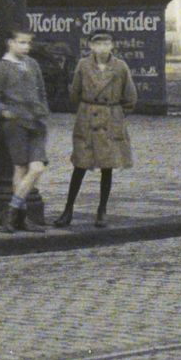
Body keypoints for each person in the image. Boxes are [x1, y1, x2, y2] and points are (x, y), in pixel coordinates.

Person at [53, 28, 138, 229]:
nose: (102, 48)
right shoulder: (83, 65)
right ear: (90, 46)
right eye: (98, 44)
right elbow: (75, 93)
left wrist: (115, 115)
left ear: (112, 46)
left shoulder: (120, 67)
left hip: (110, 120)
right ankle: (68, 209)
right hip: (87, 120)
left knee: (107, 168)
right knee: (79, 166)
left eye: (106, 43)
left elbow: (130, 97)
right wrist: (86, 110)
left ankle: (102, 210)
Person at [0, 25, 51, 232]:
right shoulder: (1, 68)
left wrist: (43, 112)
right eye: (21, 42)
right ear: (10, 43)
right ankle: (20, 217)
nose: (26, 47)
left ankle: (10, 211)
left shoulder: (33, 64)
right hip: (16, 125)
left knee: (37, 168)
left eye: (28, 43)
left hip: (37, 123)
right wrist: (5, 112)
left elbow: (42, 92)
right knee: (21, 169)